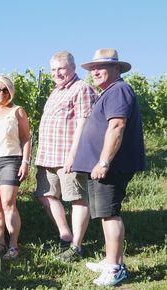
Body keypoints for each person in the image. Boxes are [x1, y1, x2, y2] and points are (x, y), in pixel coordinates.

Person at [73, 48, 146, 286]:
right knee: (106, 214)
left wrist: (104, 161)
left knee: (110, 215)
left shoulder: (118, 90)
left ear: (116, 69)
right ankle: (112, 259)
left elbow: (116, 126)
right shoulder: (110, 91)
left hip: (110, 167)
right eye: (93, 68)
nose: (95, 71)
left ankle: (115, 269)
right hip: (102, 167)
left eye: (101, 67)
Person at [35, 51, 97, 262]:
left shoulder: (82, 89)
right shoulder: (55, 92)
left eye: (61, 68)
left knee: (77, 199)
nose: (57, 73)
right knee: (46, 195)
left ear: (73, 68)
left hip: (67, 156)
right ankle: (65, 236)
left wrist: (74, 154)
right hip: (48, 155)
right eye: (53, 69)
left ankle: (77, 246)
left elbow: (84, 123)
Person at [0, 75, 31, 260]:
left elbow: (26, 138)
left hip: (10, 159)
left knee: (8, 203)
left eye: (4, 89)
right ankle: (0, 242)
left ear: (10, 91)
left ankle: (14, 245)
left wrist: (25, 162)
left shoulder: (17, 111)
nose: (0, 93)